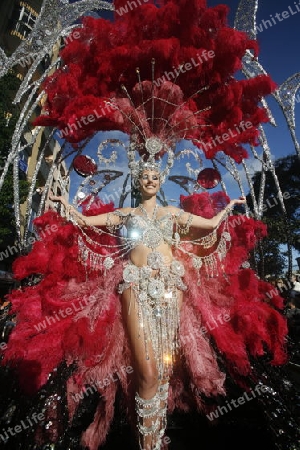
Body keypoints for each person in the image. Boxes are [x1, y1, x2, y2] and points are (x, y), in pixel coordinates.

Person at [50, 162, 246, 450]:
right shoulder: (126, 214)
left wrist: (230, 206)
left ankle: (154, 441)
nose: (151, 180)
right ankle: (145, 442)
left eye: (155, 176)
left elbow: (212, 225)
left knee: (163, 373)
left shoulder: (172, 214)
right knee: (147, 372)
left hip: (170, 289)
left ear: (161, 180)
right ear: (138, 182)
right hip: (135, 287)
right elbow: (83, 222)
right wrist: (64, 203)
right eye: (145, 176)